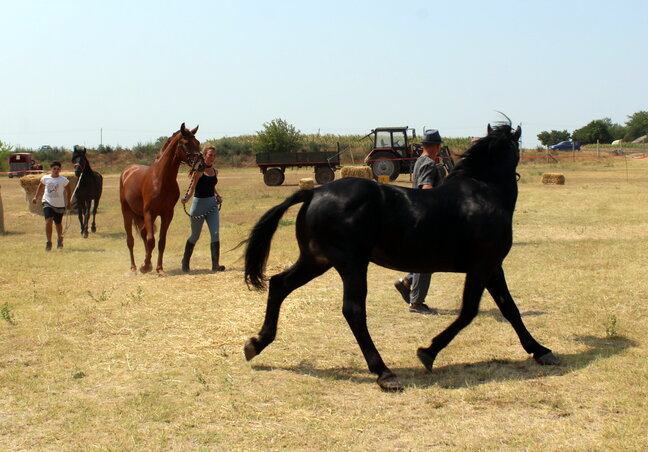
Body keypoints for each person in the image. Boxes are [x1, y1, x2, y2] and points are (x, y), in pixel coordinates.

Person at [394, 129, 446, 314]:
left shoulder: (419, 162)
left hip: (418, 216)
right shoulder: (429, 164)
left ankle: (407, 282)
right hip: (426, 219)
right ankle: (416, 303)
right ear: (436, 146)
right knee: (427, 261)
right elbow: (426, 190)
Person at [181, 146, 225, 272]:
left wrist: (217, 195)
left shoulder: (215, 172)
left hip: (212, 205)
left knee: (215, 233)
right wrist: (187, 198)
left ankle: (215, 265)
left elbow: (211, 186)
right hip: (198, 206)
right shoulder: (199, 171)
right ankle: (185, 261)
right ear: (204, 156)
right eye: (209, 155)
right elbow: (192, 188)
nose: (212, 157)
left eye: (214, 155)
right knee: (195, 236)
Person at [32, 161, 71, 251]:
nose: (56, 170)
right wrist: (35, 196)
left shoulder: (63, 180)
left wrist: (68, 202)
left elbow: (68, 190)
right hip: (47, 202)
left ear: (60, 170)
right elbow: (40, 186)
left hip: (59, 204)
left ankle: (59, 240)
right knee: (48, 221)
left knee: (58, 224)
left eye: (58, 169)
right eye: (54, 169)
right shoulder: (45, 178)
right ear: (51, 169)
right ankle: (48, 242)